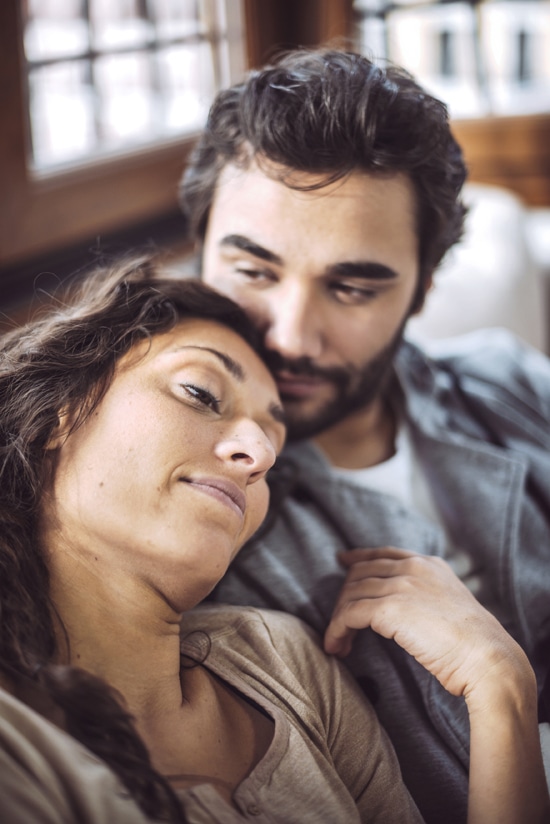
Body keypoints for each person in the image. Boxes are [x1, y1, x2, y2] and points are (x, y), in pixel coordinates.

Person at [1, 257, 548, 824]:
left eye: (274, 439)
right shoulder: (17, 745)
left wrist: (501, 686)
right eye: (200, 394)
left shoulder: (288, 666)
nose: (259, 455)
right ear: (59, 413)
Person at [178, 48, 550, 823]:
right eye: (252, 271)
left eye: (351, 287)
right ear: (201, 251)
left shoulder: (506, 381)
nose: (291, 337)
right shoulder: (195, 511)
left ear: (423, 288)